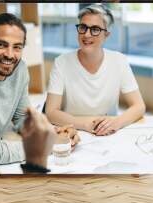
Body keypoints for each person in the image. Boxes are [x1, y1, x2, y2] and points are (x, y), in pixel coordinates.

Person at [0, 13, 79, 174]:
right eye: (1, 45)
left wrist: (52, 132)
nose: (10, 55)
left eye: (17, 47)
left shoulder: (20, 69)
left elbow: (22, 118)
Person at [45, 4, 146, 136]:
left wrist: (117, 122)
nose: (87, 34)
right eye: (83, 27)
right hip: (73, 131)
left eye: (95, 29)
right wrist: (84, 124)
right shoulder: (61, 62)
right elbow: (51, 112)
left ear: (106, 35)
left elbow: (139, 106)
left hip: (108, 133)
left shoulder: (119, 61)